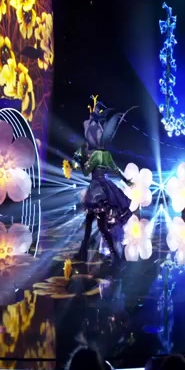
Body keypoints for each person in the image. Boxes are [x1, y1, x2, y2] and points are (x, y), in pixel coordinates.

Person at [72, 96, 135, 264]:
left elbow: (86, 172)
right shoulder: (106, 154)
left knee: (99, 226)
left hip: (97, 191)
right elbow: (115, 170)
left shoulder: (96, 155)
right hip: (104, 189)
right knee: (91, 224)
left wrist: (80, 161)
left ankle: (114, 256)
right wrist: (126, 181)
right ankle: (85, 252)